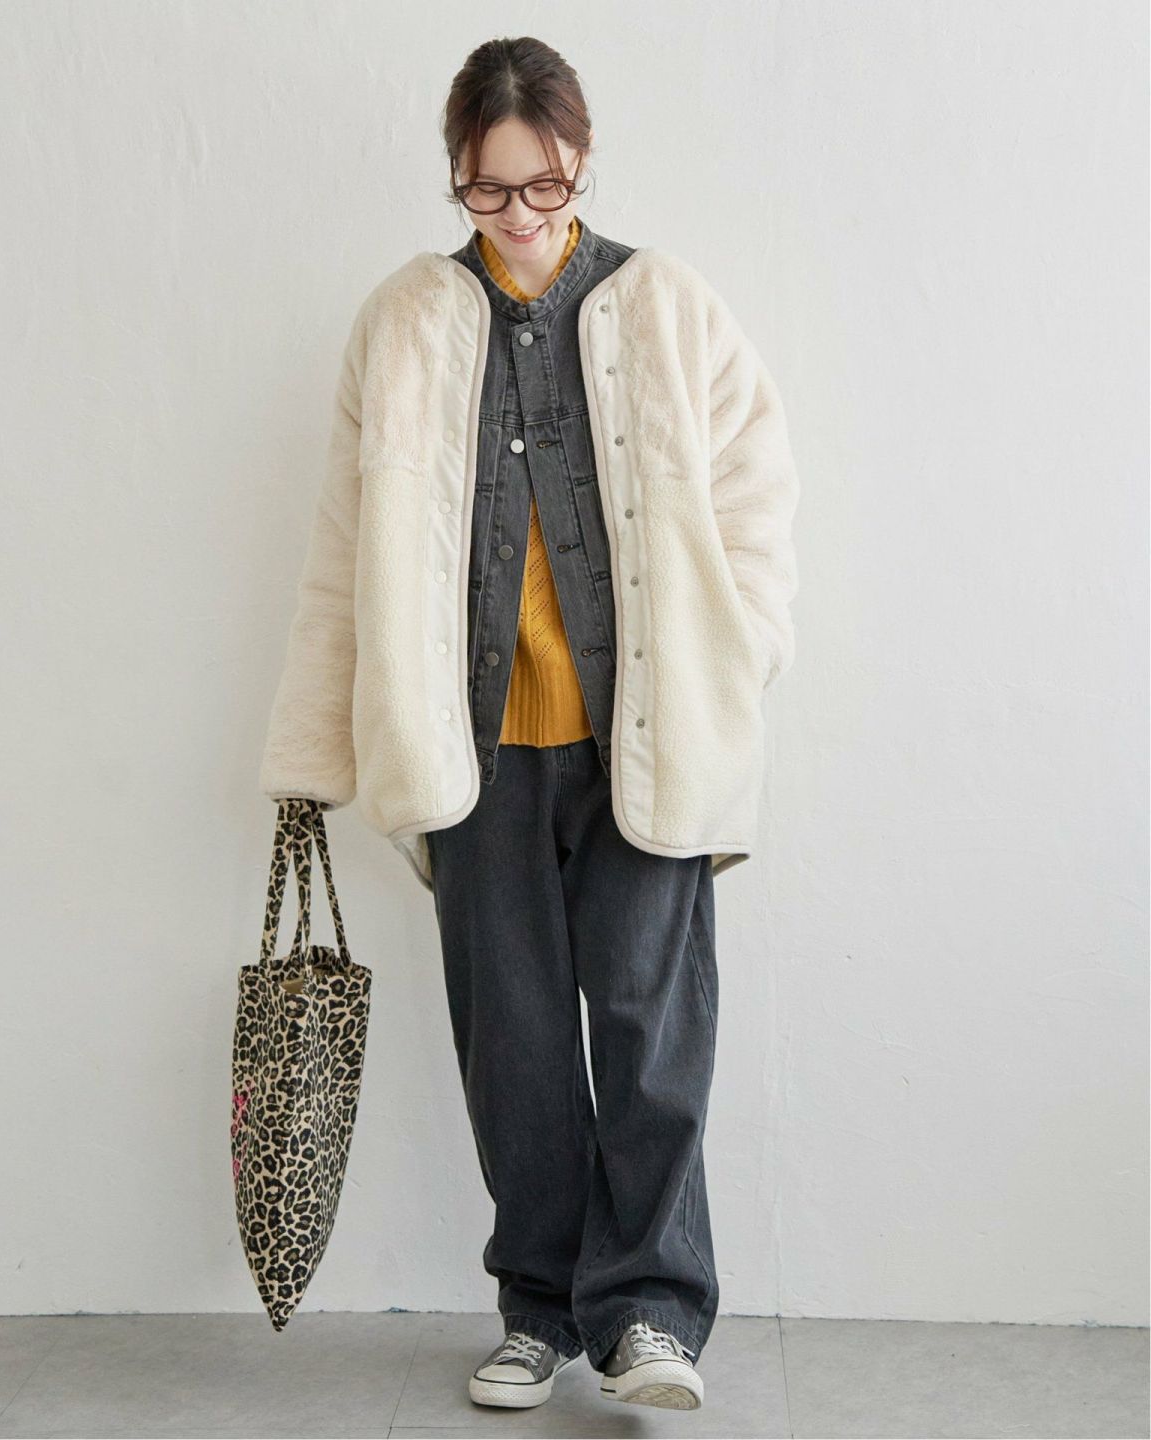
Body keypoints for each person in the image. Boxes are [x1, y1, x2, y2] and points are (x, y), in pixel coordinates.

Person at [259, 35, 800, 1415]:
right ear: (457, 174)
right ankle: (538, 1312)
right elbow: (344, 547)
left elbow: (756, 488)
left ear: (581, 160)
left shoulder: (665, 305)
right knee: (513, 1043)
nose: (520, 215)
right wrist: (316, 752)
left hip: (648, 740)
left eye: (545, 186)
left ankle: (652, 1318)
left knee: (649, 1033)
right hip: (475, 751)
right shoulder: (402, 322)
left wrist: (738, 650)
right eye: (490, 190)